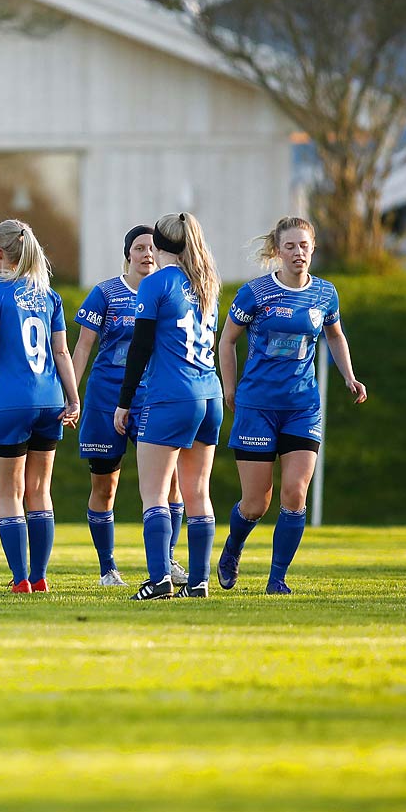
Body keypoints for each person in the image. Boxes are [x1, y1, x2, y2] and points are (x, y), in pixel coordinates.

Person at [216, 217, 366, 594]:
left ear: (313, 248)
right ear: (277, 251)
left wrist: (349, 376)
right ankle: (232, 548)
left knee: (295, 493)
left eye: (304, 245)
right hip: (257, 407)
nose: (298, 253)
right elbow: (227, 341)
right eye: (290, 246)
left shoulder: (325, 293)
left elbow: (335, 336)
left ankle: (276, 579)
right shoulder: (255, 293)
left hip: (303, 407)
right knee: (255, 504)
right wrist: (229, 389)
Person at [0, 219, 81, 593]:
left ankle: (20, 579)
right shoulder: (50, 296)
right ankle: (41, 576)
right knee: (40, 491)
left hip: (12, 403)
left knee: (9, 494)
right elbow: (61, 351)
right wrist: (74, 397)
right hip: (50, 400)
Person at [71, 226, 188, 588]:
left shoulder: (169, 292)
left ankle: (167, 561)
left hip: (155, 397)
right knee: (105, 486)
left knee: (170, 485)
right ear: (128, 254)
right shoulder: (105, 293)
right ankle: (108, 569)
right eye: (139, 248)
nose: (147, 254)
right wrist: (71, 395)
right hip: (107, 399)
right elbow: (82, 348)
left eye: (152, 248)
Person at [114, 211, 221, 600]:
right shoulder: (207, 280)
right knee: (197, 492)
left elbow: (139, 350)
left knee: (156, 494)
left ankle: (159, 579)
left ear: (158, 246)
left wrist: (123, 403)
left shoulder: (156, 283)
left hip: (172, 395)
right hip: (210, 395)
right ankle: (199, 581)